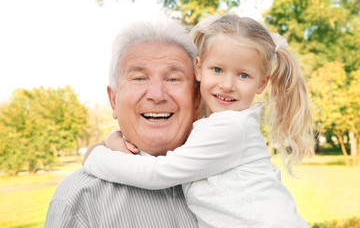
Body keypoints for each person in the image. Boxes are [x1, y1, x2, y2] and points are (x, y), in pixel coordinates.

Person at [83, 14, 315, 228]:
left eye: (243, 75)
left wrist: (95, 156)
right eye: (217, 69)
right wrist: (115, 138)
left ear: (262, 83)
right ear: (199, 68)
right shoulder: (214, 126)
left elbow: (158, 173)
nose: (227, 84)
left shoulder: (230, 128)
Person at [44, 20, 200, 227]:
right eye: (139, 78)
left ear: (197, 100)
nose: (157, 95)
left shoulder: (237, 179)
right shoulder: (78, 200)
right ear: (113, 100)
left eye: (173, 79)